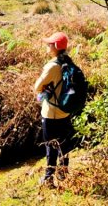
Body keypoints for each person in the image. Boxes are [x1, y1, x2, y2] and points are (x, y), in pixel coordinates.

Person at [33, 31, 76, 187]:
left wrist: (45, 87)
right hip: (65, 110)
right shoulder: (69, 63)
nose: (47, 45)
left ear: (56, 47)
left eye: (50, 43)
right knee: (64, 143)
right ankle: (64, 173)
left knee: (51, 145)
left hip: (51, 113)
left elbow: (37, 87)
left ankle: (48, 178)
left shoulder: (52, 66)